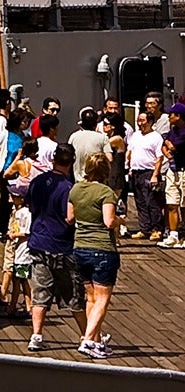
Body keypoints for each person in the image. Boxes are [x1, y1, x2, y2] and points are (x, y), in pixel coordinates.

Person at [64, 151, 118, 358]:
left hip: (80, 247)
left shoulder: (76, 189)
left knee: (90, 297)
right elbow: (109, 221)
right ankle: (88, 340)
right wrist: (120, 221)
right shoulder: (106, 192)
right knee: (103, 299)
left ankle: (94, 340)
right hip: (102, 248)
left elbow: (69, 217)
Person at [25, 144, 78, 352]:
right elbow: (69, 217)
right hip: (62, 244)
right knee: (73, 294)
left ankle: (36, 335)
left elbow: (30, 205)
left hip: (38, 240)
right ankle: (87, 335)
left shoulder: (37, 181)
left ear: (53, 159)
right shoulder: (68, 187)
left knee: (39, 293)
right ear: (71, 162)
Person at [127, 112, 163, 238]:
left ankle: (156, 229)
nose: (139, 123)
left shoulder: (156, 137)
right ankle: (144, 228)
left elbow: (159, 157)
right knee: (140, 202)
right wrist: (129, 166)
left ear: (150, 122)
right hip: (136, 171)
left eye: (142, 120)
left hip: (149, 171)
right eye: (138, 120)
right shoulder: (136, 135)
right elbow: (130, 151)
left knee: (151, 202)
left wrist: (155, 175)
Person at [1, 194, 33, 317]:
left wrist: (14, 235)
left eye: (14, 196)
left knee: (18, 280)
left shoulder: (26, 213)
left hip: (23, 252)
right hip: (19, 252)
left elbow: (28, 231)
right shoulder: (17, 211)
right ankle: (27, 306)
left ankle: (13, 307)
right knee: (22, 280)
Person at [160, 102, 185, 247]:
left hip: (183, 170)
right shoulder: (173, 130)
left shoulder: (183, 132)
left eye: (172, 114)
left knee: (184, 204)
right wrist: (169, 153)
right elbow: (165, 144)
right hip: (173, 169)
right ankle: (173, 234)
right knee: (171, 202)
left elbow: (174, 145)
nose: (169, 117)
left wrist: (171, 147)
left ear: (179, 116)